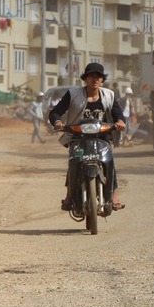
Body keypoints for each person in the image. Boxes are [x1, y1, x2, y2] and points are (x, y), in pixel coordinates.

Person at [49, 61, 127, 211]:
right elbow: (55, 112)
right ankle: (69, 194)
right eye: (91, 76)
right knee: (74, 161)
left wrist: (120, 122)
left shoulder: (109, 95)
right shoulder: (73, 94)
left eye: (98, 77)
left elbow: (118, 113)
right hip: (78, 138)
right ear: (85, 79)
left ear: (102, 80)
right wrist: (58, 122)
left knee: (109, 162)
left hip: (102, 138)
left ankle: (113, 195)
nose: (95, 80)